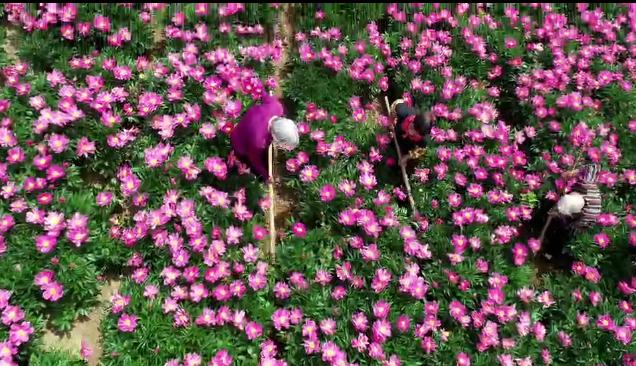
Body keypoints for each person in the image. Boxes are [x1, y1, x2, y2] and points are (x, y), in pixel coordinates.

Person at [230, 92, 299, 182]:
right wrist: (266, 175)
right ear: (275, 137)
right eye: (282, 144)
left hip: (247, 124)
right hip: (239, 142)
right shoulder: (259, 141)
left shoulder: (277, 107)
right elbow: (255, 160)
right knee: (250, 163)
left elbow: (264, 94)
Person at [388, 98, 433, 167]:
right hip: (399, 130)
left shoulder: (424, 140)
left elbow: (420, 150)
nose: (411, 132)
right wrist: (391, 121)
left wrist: (406, 157)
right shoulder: (403, 112)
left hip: (408, 143)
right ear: (412, 120)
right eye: (412, 128)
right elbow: (396, 103)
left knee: (404, 148)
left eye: (416, 133)